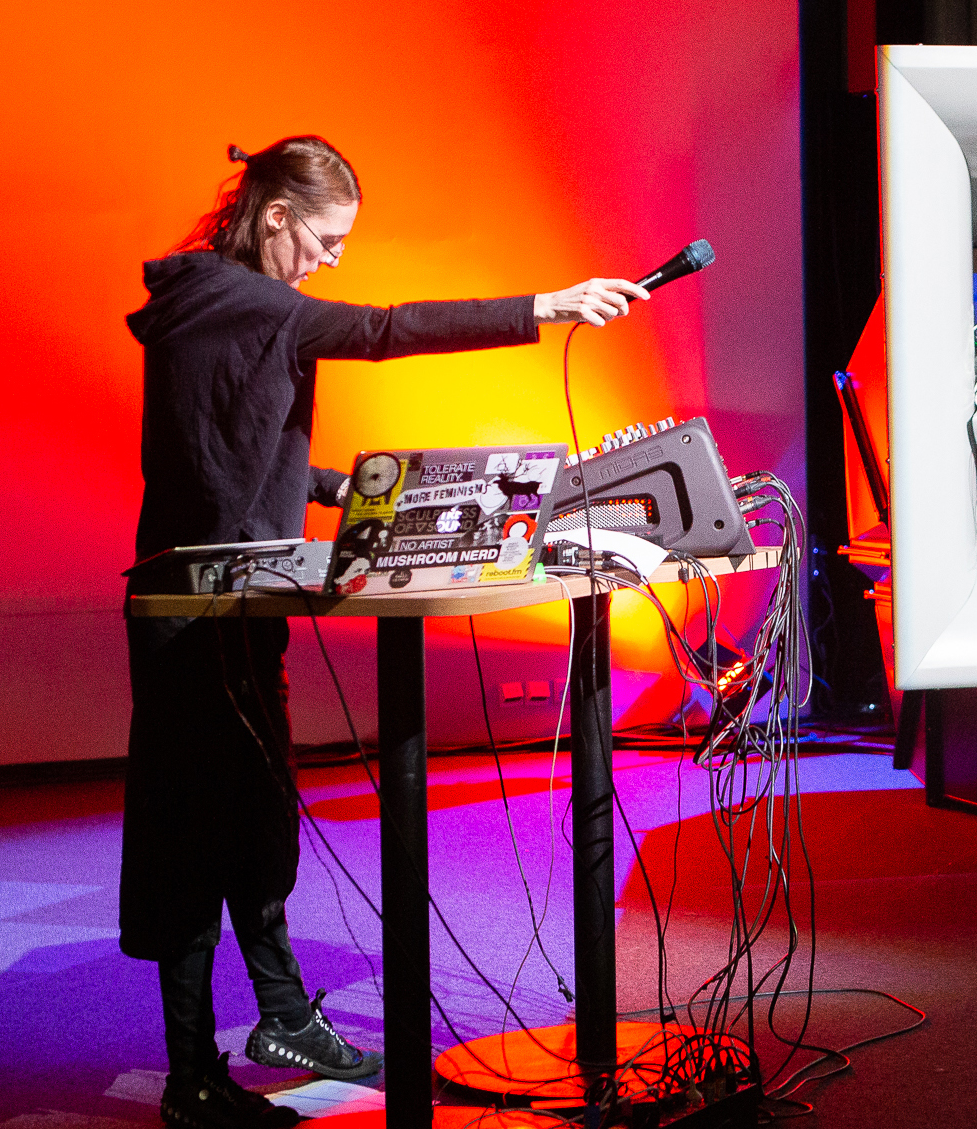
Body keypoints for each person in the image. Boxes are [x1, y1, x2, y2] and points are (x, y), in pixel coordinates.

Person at [122, 135, 648, 1129]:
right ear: (276, 216)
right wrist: (544, 307)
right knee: (194, 842)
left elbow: (240, 456)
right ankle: (190, 1080)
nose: (329, 261)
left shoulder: (220, 305)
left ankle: (279, 1016)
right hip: (193, 612)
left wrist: (356, 489)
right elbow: (383, 328)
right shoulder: (239, 301)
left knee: (251, 819)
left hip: (233, 600)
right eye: (324, 239)